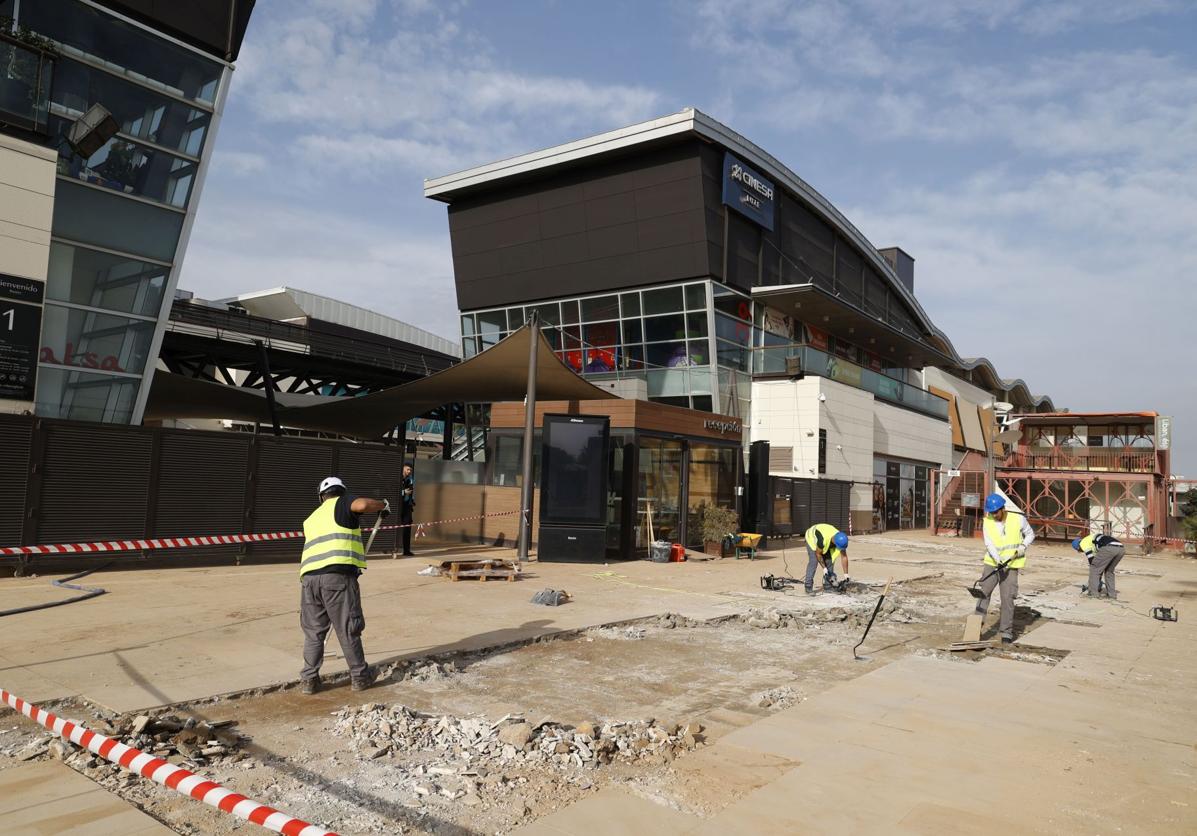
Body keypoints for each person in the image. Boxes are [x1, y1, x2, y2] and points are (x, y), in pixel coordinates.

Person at [299, 476, 389, 695]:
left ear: (321, 495)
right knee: (348, 629)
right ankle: (360, 677)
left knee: (313, 633)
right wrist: (383, 505)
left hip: (310, 580)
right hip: (336, 578)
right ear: (341, 491)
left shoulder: (312, 517)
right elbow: (363, 505)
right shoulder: (342, 502)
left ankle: (309, 681)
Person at [974, 493, 1035, 643]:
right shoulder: (987, 522)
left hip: (1012, 565)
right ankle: (974, 629)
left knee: (1007, 598)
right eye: (991, 512)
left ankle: (1006, 632)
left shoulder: (1018, 519)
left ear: (1003, 509)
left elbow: (1030, 534)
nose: (993, 515)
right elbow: (989, 543)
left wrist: (1022, 547)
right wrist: (998, 560)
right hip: (992, 563)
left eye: (996, 512)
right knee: (983, 594)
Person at [1073, 532, 1125, 600]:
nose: (1081, 551)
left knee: (1094, 569)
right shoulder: (1091, 541)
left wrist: (1093, 581)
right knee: (1109, 571)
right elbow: (1099, 561)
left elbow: (1092, 560)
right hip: (1121, 548)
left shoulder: (1083, 543)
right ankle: (1112, 595)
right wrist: (1097, 579)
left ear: (1078, 547)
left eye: (1079, 550)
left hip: (1108, 548)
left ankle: (1093, 593)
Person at [803, 523, 849, 595]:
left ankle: (828, 587)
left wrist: (846, 574)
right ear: (834, 542)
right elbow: (818, 554)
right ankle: (808, 586)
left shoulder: (841, 539)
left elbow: (844, 557)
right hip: (811, 538)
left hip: (826, 540)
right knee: (813, 561)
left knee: (829, 561)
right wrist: (824, 568)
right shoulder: (822, 540)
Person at [400, 463, 416, 556]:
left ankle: (406, 550)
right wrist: (403, 492)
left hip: (407, 506)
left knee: (407, 527)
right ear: (403, 469)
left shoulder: (410, 479)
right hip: (398, 505)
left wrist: (412, 500)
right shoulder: (398, 478)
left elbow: (412, 491)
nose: (409, 471)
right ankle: (388, 547)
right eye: (407, 469)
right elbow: (391, 490)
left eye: (410, 470)